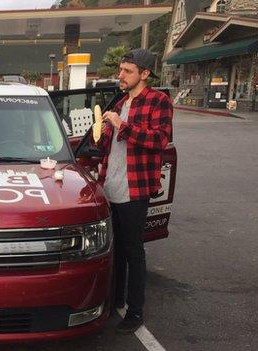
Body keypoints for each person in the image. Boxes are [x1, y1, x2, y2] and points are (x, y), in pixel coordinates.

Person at [94, 49, 173, 334]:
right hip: (110, 187)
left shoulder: (158, 101)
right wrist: (102, 129)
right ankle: (115, 299)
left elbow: (160, 140)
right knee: (114, 251)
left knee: (133, 251)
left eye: (127, 70)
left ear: (145, 73)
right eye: (121, 70)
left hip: (135, 189)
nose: (121, 75)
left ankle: (135, 311)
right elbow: (106, 146)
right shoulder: (120, 101)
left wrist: (121, 125)